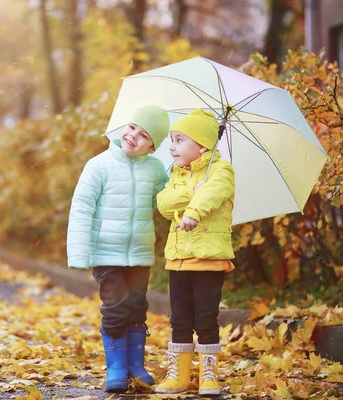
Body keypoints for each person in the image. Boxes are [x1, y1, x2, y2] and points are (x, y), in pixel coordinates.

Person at [67, 105, 170, 393]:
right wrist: (79, 252)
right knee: (114, 308)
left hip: (139, 253)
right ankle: (116, 367)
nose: (133, 136)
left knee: (138, 306)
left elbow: (165, 204)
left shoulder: (156, 169)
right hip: (105, 253)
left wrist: (187, 187)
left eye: (144, 135)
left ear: (152, 147)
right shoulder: (99, 165)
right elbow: (82, 207)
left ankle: (136, 366)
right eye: (132, 127)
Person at [154, 109, 235, 396]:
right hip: (178, 259)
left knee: (205, 317)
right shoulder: (175, 174)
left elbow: (213, 193)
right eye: (171, 140)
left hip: (208, 259)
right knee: (180, 318)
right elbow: (163, 203)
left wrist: (194, 211)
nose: (171, 146)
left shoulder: (221, 170)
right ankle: (180, 374)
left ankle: (209, 375)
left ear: (201, 145)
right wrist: (191, 192)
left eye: (178, 140)